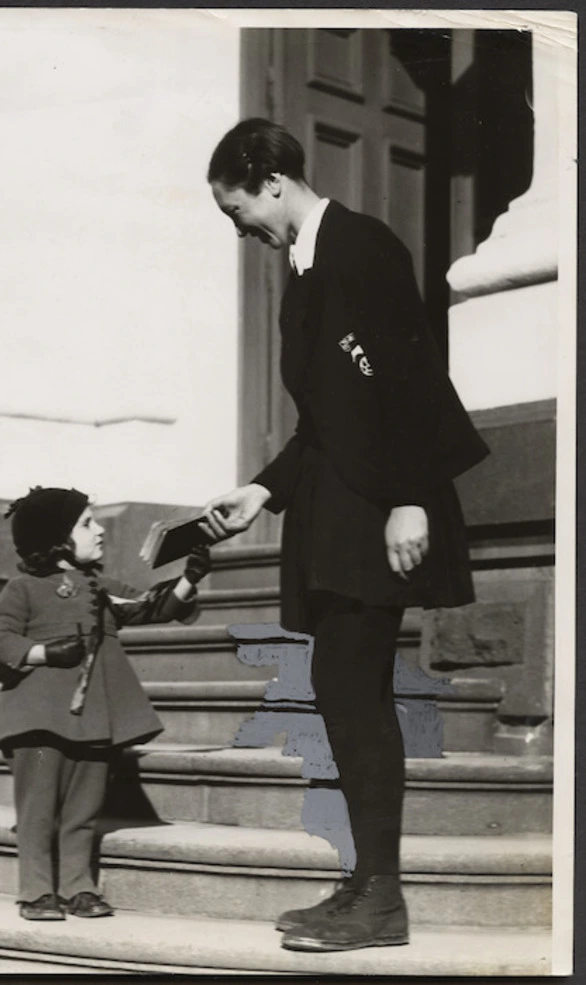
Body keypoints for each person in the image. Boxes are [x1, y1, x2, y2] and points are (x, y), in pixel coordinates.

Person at [202, 118, 489, 953]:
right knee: (342, 690)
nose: (241, 229)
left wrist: (411, 498)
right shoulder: (307, 269)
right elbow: (328, 421)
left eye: (237, 209)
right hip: (336, 507)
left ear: (274, 183)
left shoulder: (362, 247)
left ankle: (383, 897)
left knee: (355, 694)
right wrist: (262, 488)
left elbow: (409, 381)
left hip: (376, 512)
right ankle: (368, 882)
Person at [0, 485, 211, 921]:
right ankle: (35, 891)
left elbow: (151, 607)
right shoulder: (23, 588)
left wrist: (188, 579)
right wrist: (45, 654)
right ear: (56, 539)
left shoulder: (101, 587)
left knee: (83, 810)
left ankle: (77, 887)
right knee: (37, 809)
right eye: (88, 523)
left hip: (94, 719)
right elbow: (0, 639)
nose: (101, 529)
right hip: (36, 719)